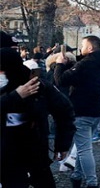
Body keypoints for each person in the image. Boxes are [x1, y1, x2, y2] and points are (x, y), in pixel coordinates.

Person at [1, 44, 76, 188]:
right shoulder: (17, 90)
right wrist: (16, 96)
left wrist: (62, 143)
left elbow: (64, 111)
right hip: (5, 155)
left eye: (2, 70)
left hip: (35, 150)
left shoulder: (38, 86)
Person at [52, 35, 100, 188]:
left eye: (83, 45)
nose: (80, 47)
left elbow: (61, 80)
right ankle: (76, 176)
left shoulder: (85, 64)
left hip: (82, 109)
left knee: (84, 149)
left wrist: (59, 64)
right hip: (96, 110)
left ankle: (92, 182)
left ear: (90, 48)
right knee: (81, 145)